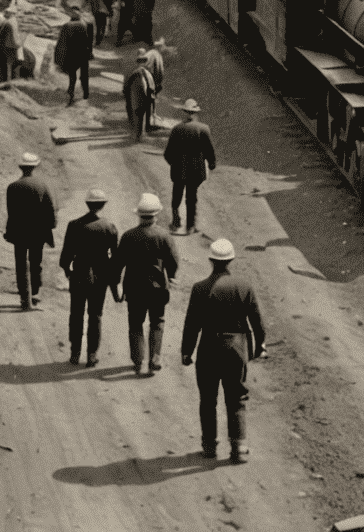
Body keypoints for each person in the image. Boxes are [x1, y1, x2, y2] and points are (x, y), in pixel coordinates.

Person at [181, 237, 267, 462]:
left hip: (209, 347)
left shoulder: (200, 288)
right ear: (231, 260)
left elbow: (192, 323)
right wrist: (260, 345)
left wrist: (186, 351)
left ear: (211, 260)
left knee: (208, 399)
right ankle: (238, 448)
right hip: (236, 348)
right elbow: (256, 320)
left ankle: (209, 447)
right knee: (236, 397)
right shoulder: (244, 286)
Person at [112, 192, 179, 375]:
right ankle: (155, 358)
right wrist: (171, 275)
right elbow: (173, 261)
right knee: (157, 321)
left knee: (135, 323)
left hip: (134, 289)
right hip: (157, 288)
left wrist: (115, 284)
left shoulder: (128, 236)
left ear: (139, 215)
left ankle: (137, 360)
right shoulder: (164, 236)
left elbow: (118, 263)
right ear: (156, 215)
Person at [60, 188, 118, 366]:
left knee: (76, 314)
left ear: (87, 204)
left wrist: (68, 271)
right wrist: (113, 280)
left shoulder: (74, 225)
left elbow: (66, 256)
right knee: (96, 315)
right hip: (100, 277)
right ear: (103, 205)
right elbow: (115, 258)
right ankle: (92, 355)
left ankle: (75, 353)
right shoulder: (109, 227)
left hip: (79, 275)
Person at [4, 151, 57, 312]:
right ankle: (35, 293)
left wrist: (9, 231)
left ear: (21, 167)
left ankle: (23, 296)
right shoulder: (43, 186)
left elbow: (11, 212)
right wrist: (51, 225)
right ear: (35, 167)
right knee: (36, 262)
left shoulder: (12, 187)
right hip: (38, 232)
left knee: (20, 263)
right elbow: (50, 209)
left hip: (19, 232)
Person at [165, 99, 217, 233]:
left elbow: (167, 153)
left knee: (176, 195)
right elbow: (209, 150)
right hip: (195, 171)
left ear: (185, 112)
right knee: (191, 197)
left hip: (178, 170)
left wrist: (175, 164)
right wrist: (211, 164)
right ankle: (190, 226)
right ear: (196, 113)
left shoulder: (176, 129)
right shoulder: (203, 129)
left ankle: (176, 221)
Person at [54, 3, 94, 107]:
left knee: (75, 76)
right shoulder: (87, 24)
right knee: (81, 75)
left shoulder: (67, 26)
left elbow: (61, 42)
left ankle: (74, 94)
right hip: (81, 54)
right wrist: (90, 53)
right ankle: (84, 94)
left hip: (74, 54)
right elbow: (90, 41)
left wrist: (58, 57)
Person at [124, 50, 157, 142]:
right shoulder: (148, 74)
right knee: (143, 116)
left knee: (137, 116)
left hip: (136, 99)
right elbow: (152, 88)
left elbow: (127, 87)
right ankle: (141, 135)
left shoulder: (134, 73)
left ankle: (137, 135)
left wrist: (128, 98)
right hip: (146, 99)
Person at [0, 8, 22, 83]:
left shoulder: (6, 23)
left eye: (6, 13)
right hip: (14, 46)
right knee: (10, 64)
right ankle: (10, 79)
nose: (5, 14)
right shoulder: (14, 21)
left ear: (9, 14)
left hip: (6, 46)